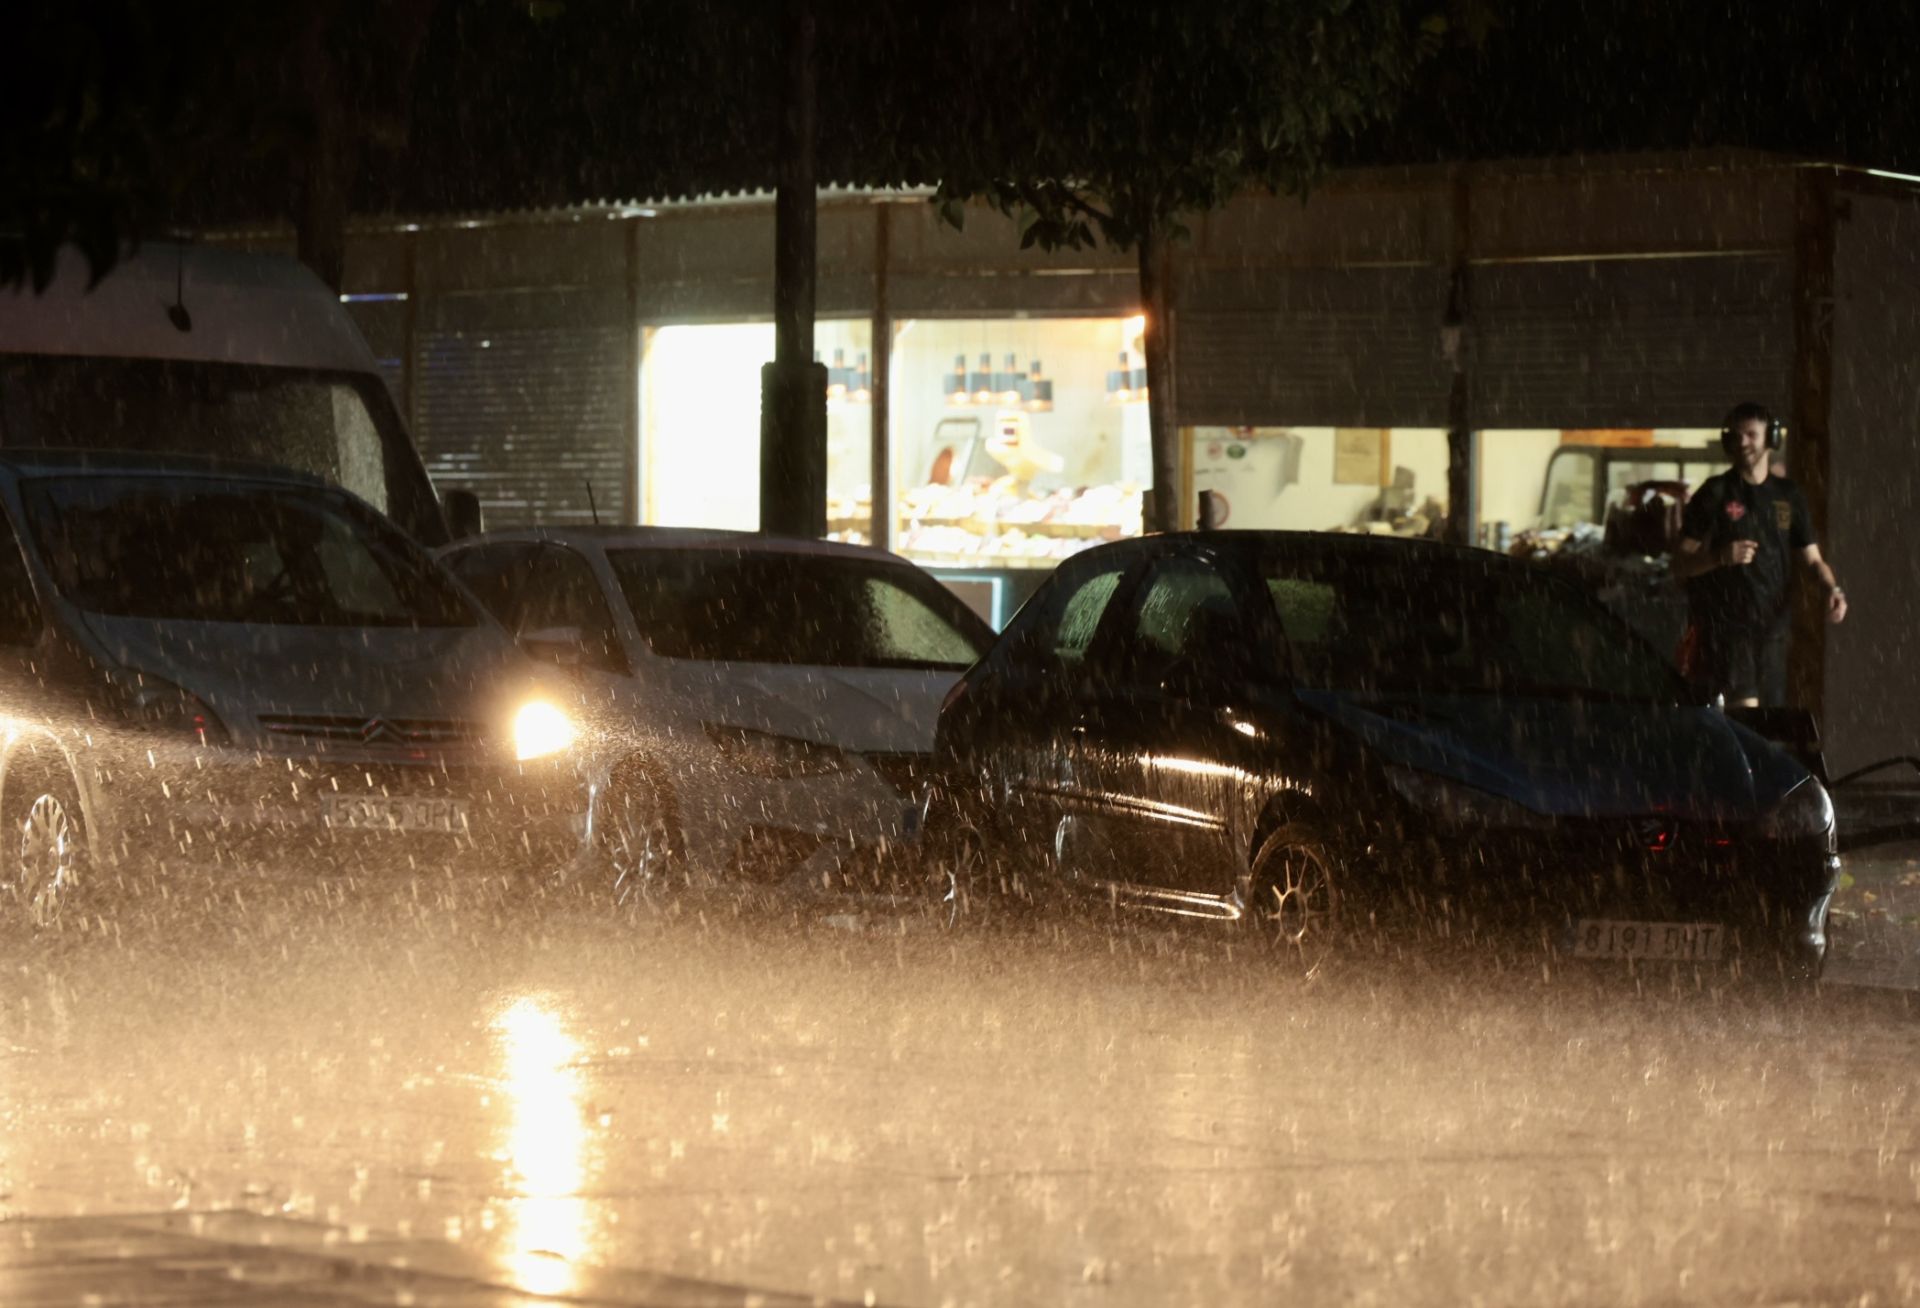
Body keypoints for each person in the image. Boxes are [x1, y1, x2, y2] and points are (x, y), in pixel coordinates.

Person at [1671, 401, 1847, 706]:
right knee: (1746, 716)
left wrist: (1832, 589)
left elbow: (1814, 560)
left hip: (1775, 631)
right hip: (1728, 630)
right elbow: (1679, 563)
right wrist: (1719, 557)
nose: (1743, 443)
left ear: (1771, 439)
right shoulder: (1715, 492)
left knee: (1770, 721)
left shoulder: (1789, 496)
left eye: (1751, 435)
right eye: (1737, 436)